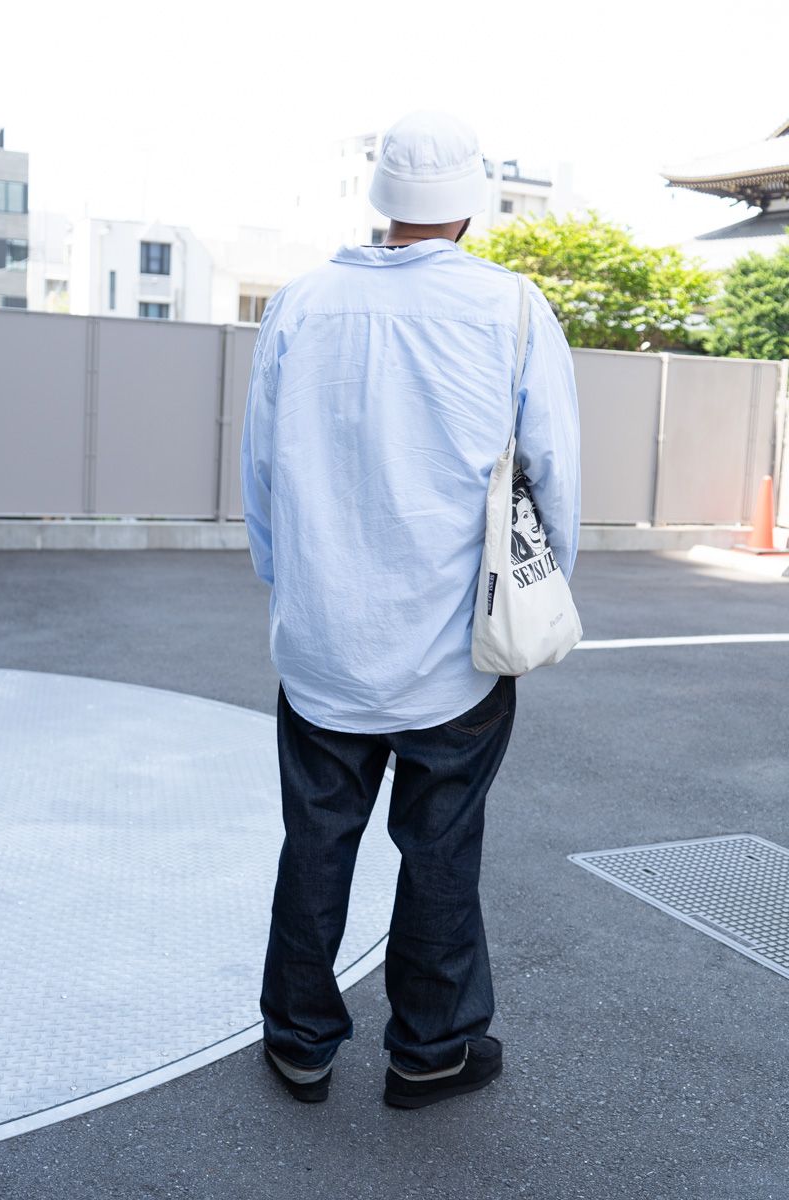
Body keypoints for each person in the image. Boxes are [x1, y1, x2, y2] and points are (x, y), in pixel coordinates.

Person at [240, 110, 580, 1110]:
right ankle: (430, 1051)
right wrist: (545, 585)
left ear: (381, 199)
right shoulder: (511, 309)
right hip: (454, 645)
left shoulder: (302, 303)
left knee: (316, 839)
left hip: (321, 643)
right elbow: (553, 474)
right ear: (470, 205)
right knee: (440, 848)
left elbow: (261, 470)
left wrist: (287, 582)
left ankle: (299, 1041)